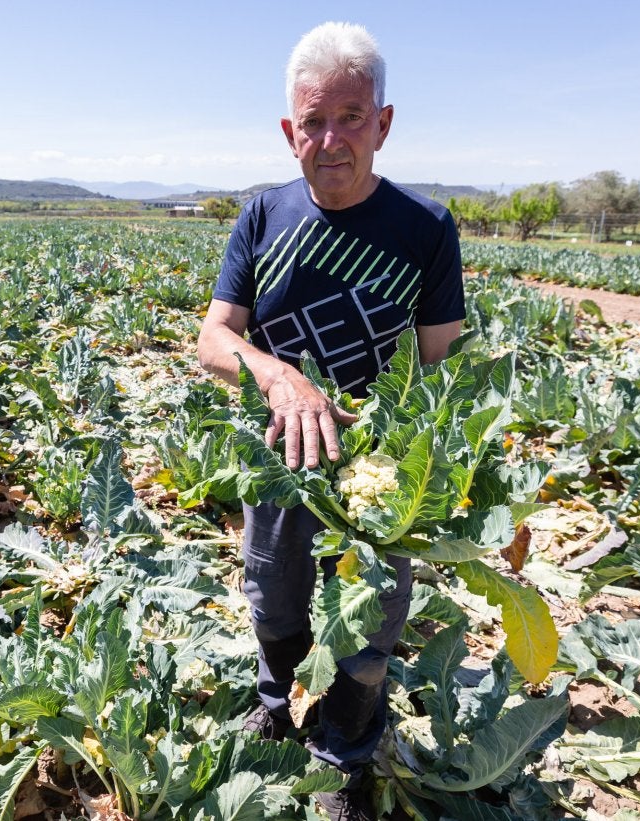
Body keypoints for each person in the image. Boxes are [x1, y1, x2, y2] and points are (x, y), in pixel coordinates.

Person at [195, 20, 465, 820]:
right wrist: (280, 379)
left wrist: (417, 459)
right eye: (313, 120)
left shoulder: (426, 230)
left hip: (377, 479)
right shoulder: (262, 215)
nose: (331, 138)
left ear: (383, 124)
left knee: (370, 619)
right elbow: (214, 337)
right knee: (272, 595)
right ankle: (278, 704)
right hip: (280, 454)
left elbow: (443, 362)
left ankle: (344, 748)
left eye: (351, 117)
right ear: (290, 133)